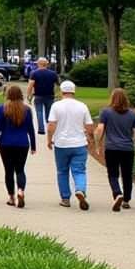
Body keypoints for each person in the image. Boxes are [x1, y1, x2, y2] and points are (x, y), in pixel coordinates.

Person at [95, 88, 135, 212]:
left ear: (112, 98)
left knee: (113, 174)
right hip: (127, 149)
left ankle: (117, 193)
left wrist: (97, 143)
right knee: (127, 175)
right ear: (126, 99)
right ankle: (126, 200)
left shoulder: (106, 112)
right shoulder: (132, 114)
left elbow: (100, 129)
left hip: (111, 148)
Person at [46, 80, 95, 209]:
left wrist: (49, 139)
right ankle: (80, 189)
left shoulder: (56, 106)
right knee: (79, 171)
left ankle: (65, 198)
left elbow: (51, 125)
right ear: (74, 91)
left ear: (62, 91)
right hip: (79, 143)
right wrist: (91, 139)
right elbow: (89, 126)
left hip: (61, 144)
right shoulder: (82, 106)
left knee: (62, 171)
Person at [0, 84, 36, 207]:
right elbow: (30, 129)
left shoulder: (1, 109)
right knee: (20, 169)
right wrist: (33, 145)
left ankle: (11, 197)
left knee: (8, 171)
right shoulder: (27, 110)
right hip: (23, 143)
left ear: (7, 95)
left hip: (6, 143)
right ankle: (21, 190)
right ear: (20, 95)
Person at [27, 58, 58, 139]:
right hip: (50, 95)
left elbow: (30, 85)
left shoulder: (34, 73)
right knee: (49, 113)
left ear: (39, 64)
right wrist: (56, 93)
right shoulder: (53, 73)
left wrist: (29, 95)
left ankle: (41, 129)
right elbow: (57, 85)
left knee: (39, 112)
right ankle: (49, 127)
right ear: (46, 64)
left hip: (38, 96)